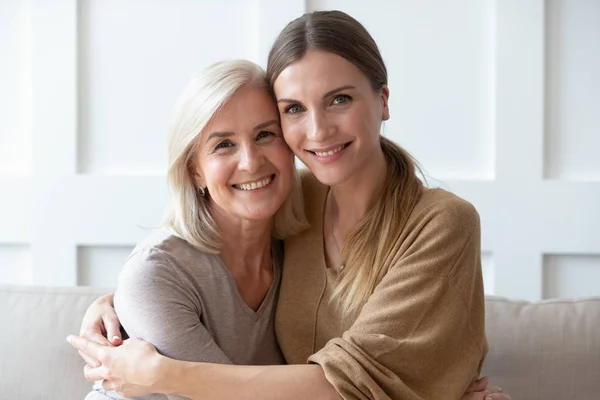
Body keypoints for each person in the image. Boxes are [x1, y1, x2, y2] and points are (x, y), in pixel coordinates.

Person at [69, 10, 511, 400]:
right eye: (295, 108)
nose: (317, 130)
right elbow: (184, 268)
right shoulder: (296, 200)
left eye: (340, 99)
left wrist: (165, 373)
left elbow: (354, 382)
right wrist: (118, 303)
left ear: (383, 100)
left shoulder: (440, 223)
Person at [80, 59, 308, 400]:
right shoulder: (156, 272)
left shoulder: (301, 246)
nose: (251, 161)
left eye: (265, 134)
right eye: (223, 145)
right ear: (195, 171)